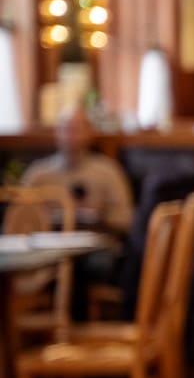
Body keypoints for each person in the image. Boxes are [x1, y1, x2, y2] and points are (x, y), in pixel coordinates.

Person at [21, 111, 133, 318]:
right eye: (66, 128)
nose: (71, 135)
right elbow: (18, 219)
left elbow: (125, 220)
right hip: (47, 246)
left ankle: (72, 331)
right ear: (57, 133)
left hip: (96, 247)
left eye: (77, 129)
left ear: (90, 133)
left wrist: (99, 215)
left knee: (78, 265)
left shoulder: (108, 172)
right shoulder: (39, 175)